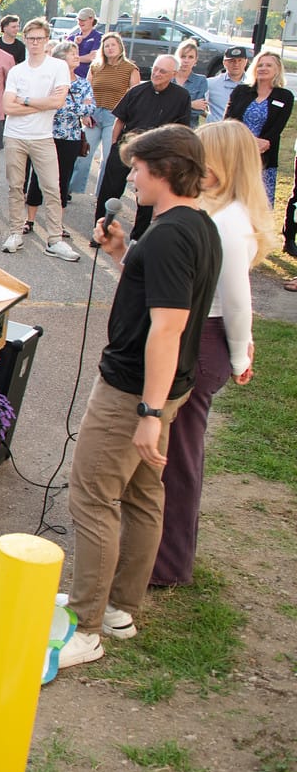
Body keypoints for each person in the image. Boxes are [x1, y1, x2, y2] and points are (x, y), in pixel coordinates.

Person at [61, 124, 222, 667]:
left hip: (134, 390)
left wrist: (149, 413)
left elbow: (168, 327)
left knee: (92, 495)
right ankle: (118, 608)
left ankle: (85, 625)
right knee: (142, 494)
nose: (131, 177)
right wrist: (122, 250)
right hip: (160, 388)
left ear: (167, 170)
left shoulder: (175, 233)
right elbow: (155, 291)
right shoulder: (194, 226)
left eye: (138, 168)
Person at [151, 120, 277, 586]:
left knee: (179, 459)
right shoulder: (225, 214)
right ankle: (161, 552)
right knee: (174, 452)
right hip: (208, 335)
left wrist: (241, 355)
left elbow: (237, 298)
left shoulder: (228, 222)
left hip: (203, 338)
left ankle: (167, 563)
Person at [0, 19, 80, 260]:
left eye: (40, 39)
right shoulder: (17, 70)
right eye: (31, 38)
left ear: (47, 41)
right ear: (26, 39)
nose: (35, 43)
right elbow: (7, 107)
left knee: (52, 188)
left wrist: (24, 100)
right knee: (15, 186)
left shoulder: (57, 67)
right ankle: (15, 232)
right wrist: (39, 103)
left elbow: (57, 102)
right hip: (15, 136)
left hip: (43, 137)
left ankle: (54, 239)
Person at [95, 55, 193, 241]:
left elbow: (181, 129)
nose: (156, 73)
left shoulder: (181, 96)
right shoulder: (137, 91)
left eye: (162, 71)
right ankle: (102, 231)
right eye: (155, 68)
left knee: (147, 199)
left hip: (156, 154)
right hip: (127, 148)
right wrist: (114, 145)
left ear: (173, 74)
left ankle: (137, 239)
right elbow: (119, 119)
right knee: (110, 190)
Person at [24, 40, 95, 240]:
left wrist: (61, 105)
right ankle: (29, 220)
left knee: (62, 180)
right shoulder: (50, 81)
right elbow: (44, 104)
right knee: (38, 178)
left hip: (71, 138)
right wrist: (66, 106)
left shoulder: (82, 83)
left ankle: (57, 224)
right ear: (62, 58)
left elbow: (90, 108)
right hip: (46, 134)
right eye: (73, 53)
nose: (77, 57)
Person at [74, 32, 140, 195]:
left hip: (114, 116)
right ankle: (71, 189)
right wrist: (85, 114)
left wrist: (125, 118)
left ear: (120, 47)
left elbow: (135, 95)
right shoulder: (96, 66)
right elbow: (86, 92)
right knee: (83, 155)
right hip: (94, 115)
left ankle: (102, 193)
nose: (110, 48)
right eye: (107, 45)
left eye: (113, 45)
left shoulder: (130, 68)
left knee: (107, 158)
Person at [226, 51, 292, 203]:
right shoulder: (241, 91)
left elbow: (277, 128)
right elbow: (229, 121)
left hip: (264, 158)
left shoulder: (285, 96)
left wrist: (261, 143)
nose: (263, 68)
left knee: (259, 206)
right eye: (260, 65)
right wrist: (247, 141)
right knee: (233, 202)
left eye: (268, 65)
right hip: (236, 154)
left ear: (277, 70)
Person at [205, 45, 249, 124]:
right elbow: (198, 104)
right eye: (232, 61)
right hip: (217, 131)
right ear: (224, 62)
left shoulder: (252, 85)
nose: (236, 64)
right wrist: (210, 117)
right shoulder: (211, 83)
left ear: (245, 62)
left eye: (240, 60)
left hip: (242, 132)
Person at [171, 40, 209, 127]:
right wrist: (191, 104)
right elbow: (163, 107)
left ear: (196, 60)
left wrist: (174, 105)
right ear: (176, 58)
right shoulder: (168, 78)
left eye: (190, 57)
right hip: (166, 128)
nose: (186, 60)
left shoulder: (201, 81)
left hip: (189, 130)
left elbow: (198, 111)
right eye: (183, 56)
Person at [67, 8, 101, 79]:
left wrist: (73, 59)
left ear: (91, 19)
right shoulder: (71, 38)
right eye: (79, 20)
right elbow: (63, 56)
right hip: (68, 77)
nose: (80, 22)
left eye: (83, 20)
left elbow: (92, 57)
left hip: (86, 78)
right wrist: (75, 44)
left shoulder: (98, 37)